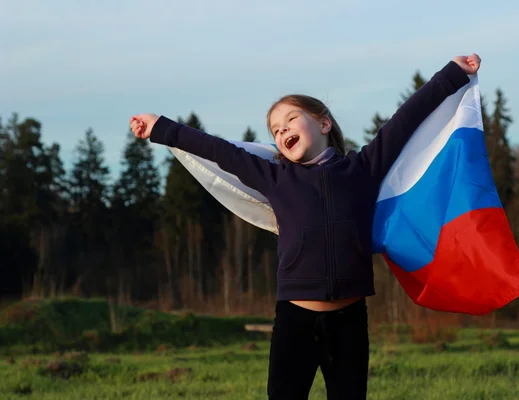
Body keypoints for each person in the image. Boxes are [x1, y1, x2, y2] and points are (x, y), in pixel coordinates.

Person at [130, 53, 481, 399]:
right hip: (294, 320)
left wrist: (453, 73)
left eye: (290, 120)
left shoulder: (362, 169)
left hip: (349, 321)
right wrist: (161, 127)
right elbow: (219, 150)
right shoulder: (275, 178)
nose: (282, 131)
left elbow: (406, 119)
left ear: (324, 124)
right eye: (276, 130)